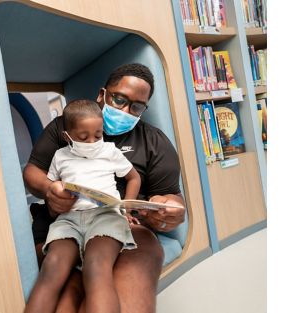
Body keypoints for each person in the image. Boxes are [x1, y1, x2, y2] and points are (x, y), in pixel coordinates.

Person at [23, 63, 186, 312]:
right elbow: (33, 171)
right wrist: (49, 189)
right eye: (119, 99)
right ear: (103, 95)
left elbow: (170, 196)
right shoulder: (64, 127)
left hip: (125, 227)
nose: (125, 110)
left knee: (120, 279)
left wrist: (172, 209)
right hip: (64, 223)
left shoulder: (154, 142)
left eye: (137, 106)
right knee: (65, 290)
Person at [24, 99, 141, 313]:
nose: (92, 142)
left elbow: (134, 178)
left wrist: (126, 210)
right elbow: (51, 188)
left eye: (98, 135)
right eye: (83, 137)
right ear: (67, 137)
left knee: (95, 267)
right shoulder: (60, 156)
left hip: (106, 216)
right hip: (68, 220)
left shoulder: (109, 151)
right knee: (52, 267)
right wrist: (56, 193)